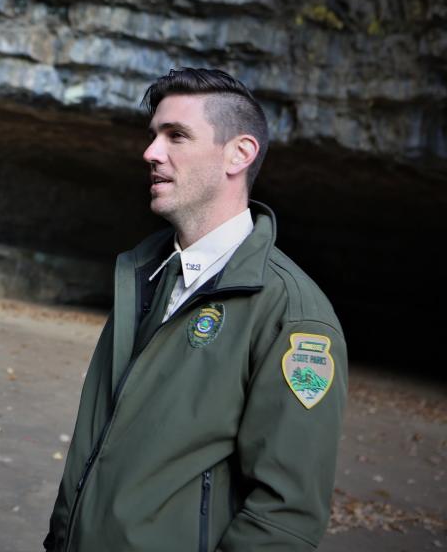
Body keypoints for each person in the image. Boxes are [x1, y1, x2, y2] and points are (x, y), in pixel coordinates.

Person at [45, 68, 347, 551]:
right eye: (153, 136)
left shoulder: (292, 314)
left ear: (239, 154)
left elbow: (285, 517)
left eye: (177, 136)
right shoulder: (145, 274)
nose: (150, 153)